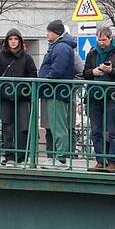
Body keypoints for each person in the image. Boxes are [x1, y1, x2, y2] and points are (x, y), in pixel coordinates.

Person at [81, 24, 115, 171]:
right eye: (99, 40)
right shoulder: (92, 52)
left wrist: (111, 70)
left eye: (104, 40)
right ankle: (100, 161)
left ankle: (113, 162)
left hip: (111, 95)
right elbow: (85, 73)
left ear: (110, 38)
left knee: (112, 130)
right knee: (96, 130)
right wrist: (93, 72)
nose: (101, 43)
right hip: (94, 94)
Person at [0, 29, 36, 166]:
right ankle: (9, 155)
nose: (13, 42)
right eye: (11, 39)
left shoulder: (27, 58)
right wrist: (3, 91)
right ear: (7, 41)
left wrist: (23, 90)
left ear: (20, 41)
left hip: (22, 98)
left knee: (23, 128)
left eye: (16, 39)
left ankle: (21, 156)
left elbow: (32, 76)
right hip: (5, 98)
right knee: (7, 127)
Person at [37, 21, 76, 166]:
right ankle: (59, 156)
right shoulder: (60, 46)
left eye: (49, 31)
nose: (47, 34)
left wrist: (45, 80)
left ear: (56, 33)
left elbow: (58, 70)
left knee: (58, 125)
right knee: (56, 125)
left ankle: (61, 156)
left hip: (56, 91)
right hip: (55, 91)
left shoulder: (61, 47)